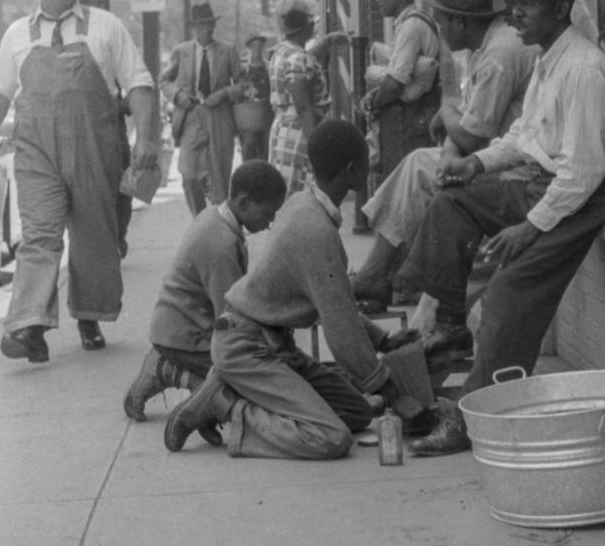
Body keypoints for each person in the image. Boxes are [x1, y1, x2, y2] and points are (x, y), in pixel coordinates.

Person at [401, 0, 605, 456]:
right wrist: (476, 164)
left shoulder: (585, 69)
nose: (515, 15)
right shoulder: (548, 62)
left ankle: (474, 418)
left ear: (562, 5)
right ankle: (452, 326)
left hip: (586, 197)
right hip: (546, 184)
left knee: (506, 296)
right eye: (514, 5)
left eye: (528, 4)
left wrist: (528, 227)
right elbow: (523, 135)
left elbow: (583, 173)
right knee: (450, 201)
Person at [164, 120, 425, 459]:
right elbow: (342, 332)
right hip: (247, 346)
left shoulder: (305, 204)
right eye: (368, 158)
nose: (373, 164)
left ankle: (237, 390)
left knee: (358, 414)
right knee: (331, 438)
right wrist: (394, 394)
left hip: (272, 343)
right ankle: (227, 406)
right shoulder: (315, 230)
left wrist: (382, 340)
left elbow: (335, 302)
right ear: (352, 169)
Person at [0, 0, 159, 361]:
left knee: (95, 235)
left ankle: (89, 315)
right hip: (37, 152)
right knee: (39, 234)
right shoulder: (16, 35)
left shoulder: (104, 27)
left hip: (96, 147)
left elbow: (139, 83)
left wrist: (147, 138)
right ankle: (28, 327)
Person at [352, 0, 540, 322]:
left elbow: (469, 132)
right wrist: (453, 136)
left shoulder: (500, 55)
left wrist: (448, 116)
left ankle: (380, 276)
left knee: (423, 174)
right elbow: (464, 128)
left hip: (515, 171)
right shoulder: (484, 48)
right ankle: (382, 276)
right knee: (418, 165)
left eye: (441, 21)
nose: (438, 31)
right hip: (493, 158)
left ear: (461, 22)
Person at [123, 159, 286, 434]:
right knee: (255, 373)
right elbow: (231, 317)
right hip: (184, 336)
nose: (269, 223)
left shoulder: (215, 216)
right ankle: (168, 371)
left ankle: (201, 394)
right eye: (267, 214)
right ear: (244, 202)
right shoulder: (220, 243)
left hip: (182, 328)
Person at [160, 3, 243, 216]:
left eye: (208, 24)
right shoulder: (181, 52)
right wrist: (178, 96)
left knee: (219, 177)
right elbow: (164, 80)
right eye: (200, 25)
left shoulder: (227, 50)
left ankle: (220, 225)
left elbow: (244, 84)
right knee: (189, 176)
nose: (205, 28)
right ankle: (199, 220)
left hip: (219, 117)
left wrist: (224, 93)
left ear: (213, 25)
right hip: (191, 116)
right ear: (194, 27)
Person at [363, 0, 440, 178]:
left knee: (401, 184)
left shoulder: (411, 26)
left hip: (409, 124)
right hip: (412, 122)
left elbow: (395, 84)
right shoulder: (411, 23)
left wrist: (373, 104)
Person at [76, 0, 133, 258]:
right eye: (95, 3)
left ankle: (117, 238)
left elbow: (135, 83)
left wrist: (121, 104)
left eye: (104, 3)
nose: (101, 8)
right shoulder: (72, 40)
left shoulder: (116, 36)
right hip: (82, 130)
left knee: (122, 188)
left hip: (114, 127)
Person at [267, 0, 330, 197]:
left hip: (283, 131)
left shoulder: (282, 51)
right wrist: (316, 149)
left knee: (288, 194)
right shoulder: (298, 57)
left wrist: (326, 43)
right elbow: (303, 107)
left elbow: (303, 64)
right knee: (302, 196)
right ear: (308, 26)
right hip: (300, 133)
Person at [236, 34, 272, 161]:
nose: (257, 48)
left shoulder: (269, 66)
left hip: (267, 112)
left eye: (259, 45)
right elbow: (238, 89)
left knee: (265, 148)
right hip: (249, 114)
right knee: (248, 147)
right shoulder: (244, 68)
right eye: (254, 46)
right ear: (249, 48)